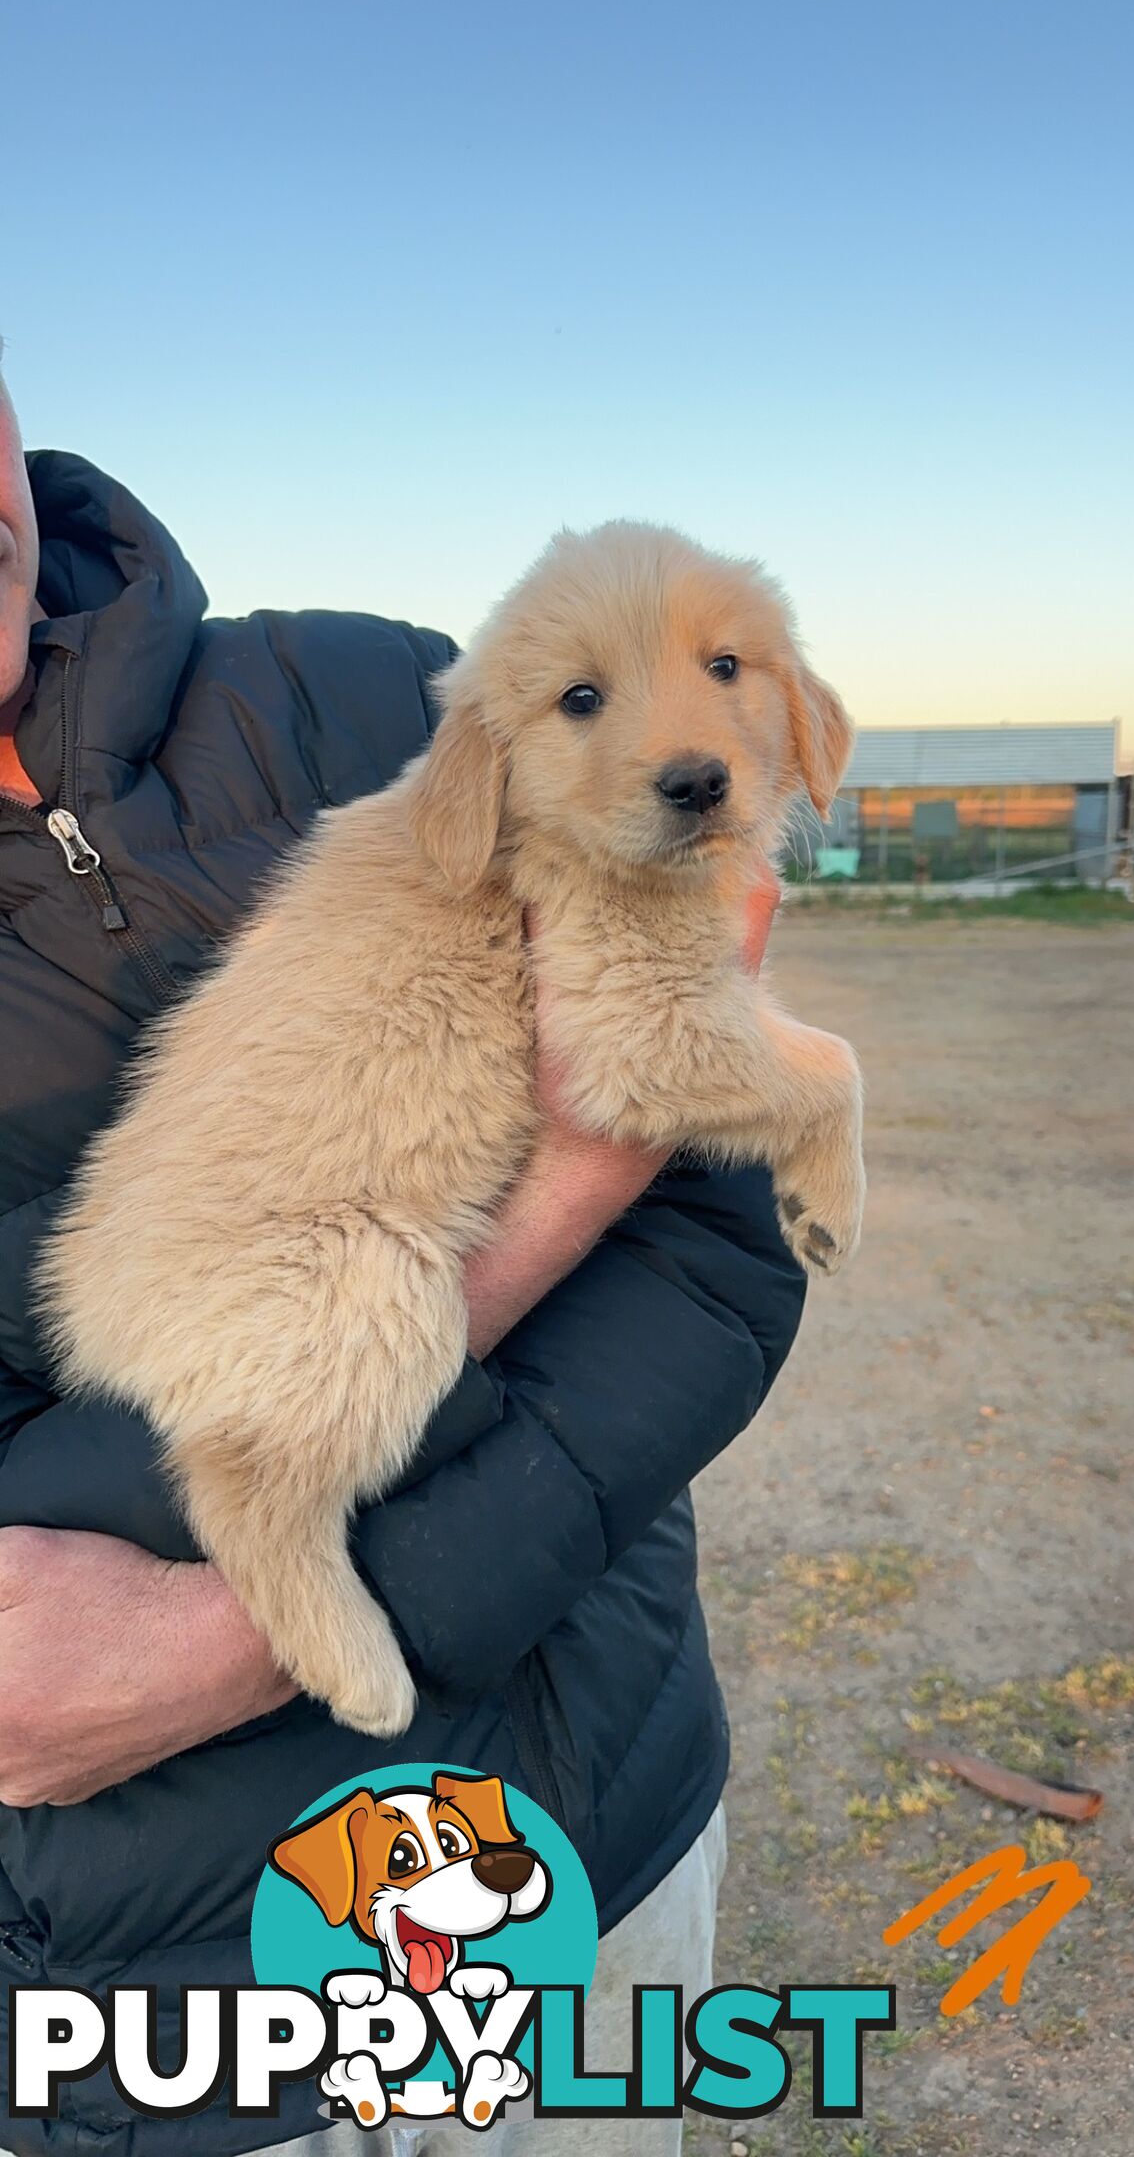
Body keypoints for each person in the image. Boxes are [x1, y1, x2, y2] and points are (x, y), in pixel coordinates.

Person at [0, 362, 805, 2156]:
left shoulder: (384, 698)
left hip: (591, 1842)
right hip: (156, 2014)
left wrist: (233, 1633)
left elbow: (717, 1253)